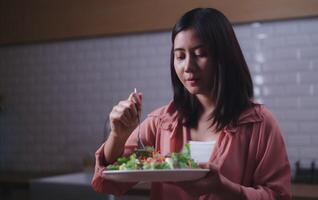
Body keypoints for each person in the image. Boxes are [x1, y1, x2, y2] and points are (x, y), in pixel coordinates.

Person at [92, 7, 291, 200]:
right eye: (179, 56)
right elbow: (109, 181)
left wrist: (223, 188)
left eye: (200, 54)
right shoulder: (161, 123)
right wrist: (118, 136)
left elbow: (278, 196)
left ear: (224, 56)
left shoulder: (260, 124)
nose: (187, 66)